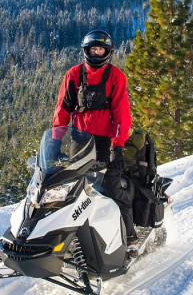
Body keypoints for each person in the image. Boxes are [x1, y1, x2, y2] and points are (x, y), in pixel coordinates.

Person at [52, 29, 136, 244]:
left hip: (105, 142)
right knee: (74, 189)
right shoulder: (73, 74)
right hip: (79, 140)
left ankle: (129, 235)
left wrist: (117, 146)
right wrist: (55, 140)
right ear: (86, 51)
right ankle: (74, 238)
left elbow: (121, 113)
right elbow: (62, 109)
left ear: (107, 52)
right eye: (93, 49)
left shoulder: (116, 76)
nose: (97, 53)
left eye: (101, 49)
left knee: (111, 187)